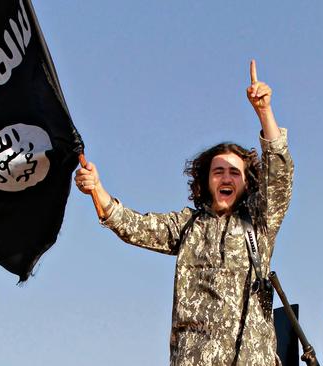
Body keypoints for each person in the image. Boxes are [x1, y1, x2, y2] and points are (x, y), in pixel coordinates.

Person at [75, 60, 294, 366]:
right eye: (219, 171)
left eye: (235, 172)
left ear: (246, 184)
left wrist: (264, 112)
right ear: (207, 180)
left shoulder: (257, 224)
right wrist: (97, 189)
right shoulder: (188, 225)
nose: (226, 178)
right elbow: (133, 225)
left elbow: (278, 176)